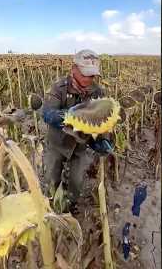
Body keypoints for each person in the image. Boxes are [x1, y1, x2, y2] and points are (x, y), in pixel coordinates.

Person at [42, 49, 113, 212]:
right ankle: (51, 205)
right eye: (85, 74)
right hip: (58, 142)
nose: (89, 79)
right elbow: (47, 113)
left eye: (92, 75)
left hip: (81, 144)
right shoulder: (59, 87)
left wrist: (103, 140)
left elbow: (102, 120)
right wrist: (69, 116)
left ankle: (71, 203)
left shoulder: (97, 92)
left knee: (77, 179)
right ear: (74, 69)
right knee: (52, 176)